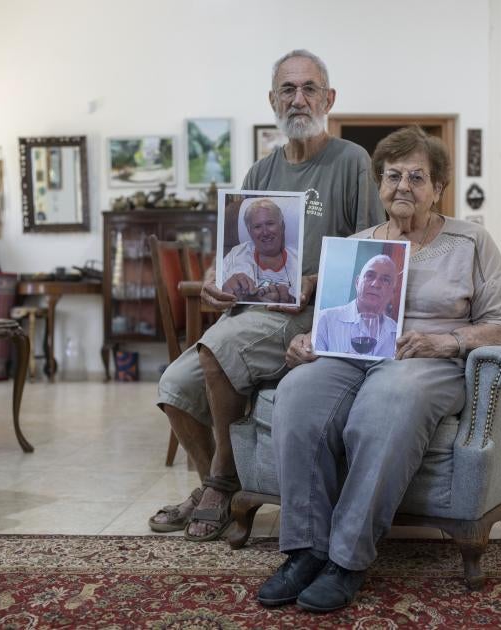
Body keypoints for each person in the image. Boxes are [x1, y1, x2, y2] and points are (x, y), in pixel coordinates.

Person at [257, 126, 501, 613]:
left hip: (427, 360)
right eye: (393, 175)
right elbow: (331, 318)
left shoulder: (471, 241)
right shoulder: (356, 244)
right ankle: (306, 550)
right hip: (351, 356)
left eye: (417, 177)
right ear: (379, 183)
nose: (403, 186)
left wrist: (448, 341)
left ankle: (347, 559)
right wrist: (306, 342)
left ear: (438, 187)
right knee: (297, 394)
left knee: (387, 401)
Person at [150, 49, 384, 540]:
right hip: (254, 311)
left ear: (329, 98)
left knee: (218, 347)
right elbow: (235, 255)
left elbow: (372, 250)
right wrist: (216, 277)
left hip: (311, 313)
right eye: (287, 89)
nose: (298, 99)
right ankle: (219, 488)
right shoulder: (260, 173)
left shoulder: (352, 162)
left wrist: (314, 282)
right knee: (173, 387)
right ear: (272, 100)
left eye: (309, 88)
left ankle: (219, 484)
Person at [314, 254, 398, 358]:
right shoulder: (324, 320)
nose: (376, 284)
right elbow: (314, 364)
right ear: (357, 283)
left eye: (385, 280)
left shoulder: (397, 332)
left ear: (393, 293)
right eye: (370, 276)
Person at [221, 197, 299, 304]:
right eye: (257, 226)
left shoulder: (297, 259)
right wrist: (226, 289)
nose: (265, 232)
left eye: (270, 224)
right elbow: (216, 289)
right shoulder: (237, 254)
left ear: (282, 226)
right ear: (249, 231)